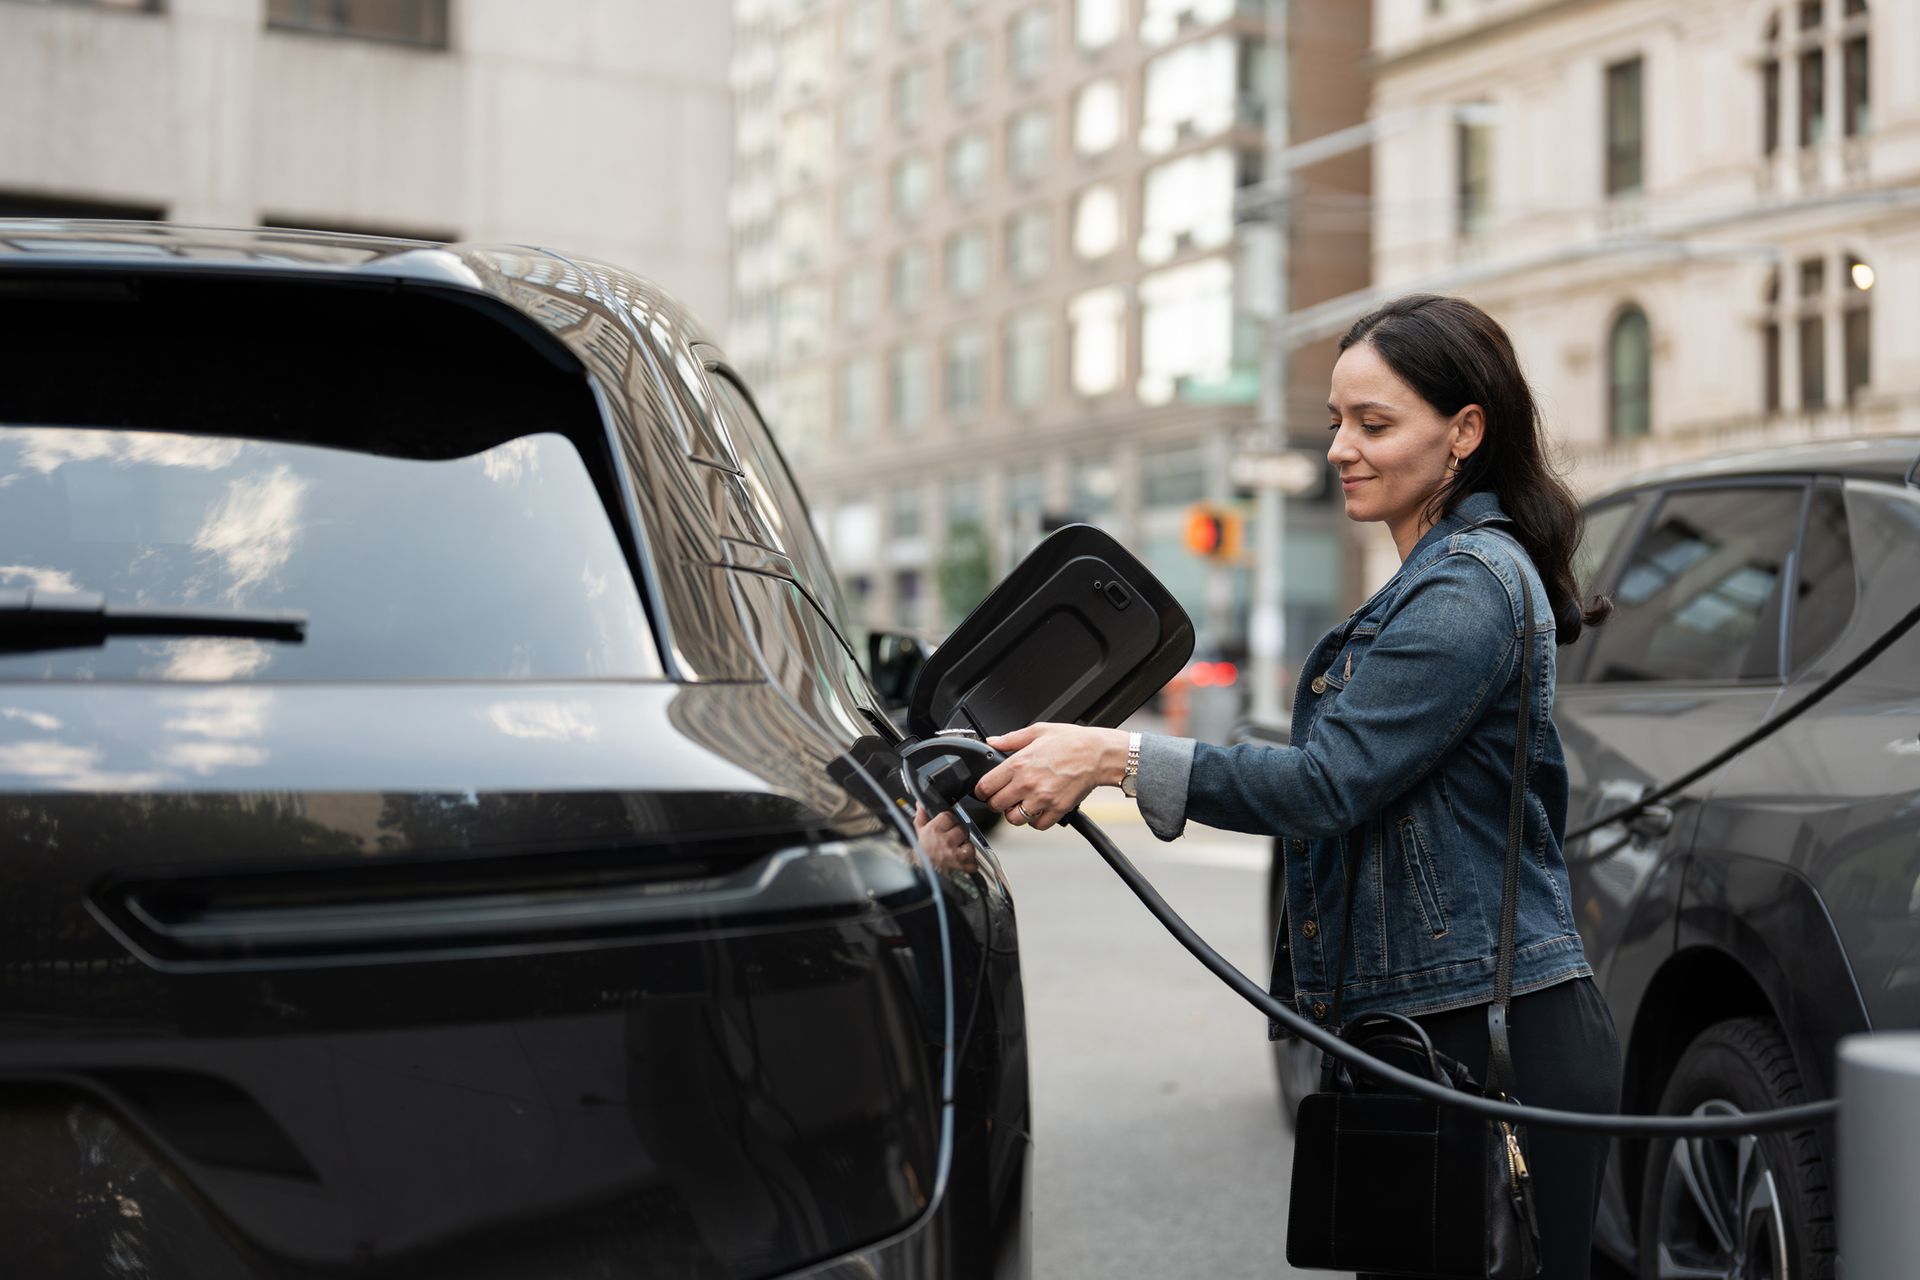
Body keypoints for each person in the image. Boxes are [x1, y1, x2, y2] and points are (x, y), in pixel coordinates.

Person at [917, 294, 1622, 1279]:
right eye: (1338, 420)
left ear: (1465, 431)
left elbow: (1328, 783)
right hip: (1431, 1022)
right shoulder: (1439, 576)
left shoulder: (1466, 587)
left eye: (1375, 424)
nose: (1342, 447)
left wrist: (1113, 756)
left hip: (1488, 1030)